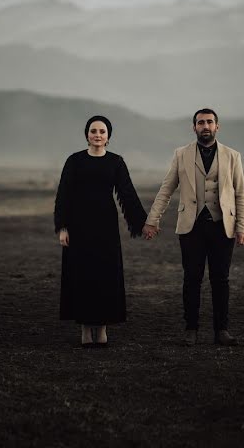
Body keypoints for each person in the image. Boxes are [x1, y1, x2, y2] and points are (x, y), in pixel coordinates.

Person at [142, 108, 244, 346]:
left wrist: (243, 226)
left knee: (221, 279)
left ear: (217, 126)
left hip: (223, 227)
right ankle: (191, 329)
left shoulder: (233, 156)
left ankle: (222, 330)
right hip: (192, 228)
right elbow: (166, 189)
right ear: (194, 127)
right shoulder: (181, 155)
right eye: (200, 122)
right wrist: (152, 219)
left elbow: (240, 193)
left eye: (210, 122)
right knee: (192, 278)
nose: (205, 126)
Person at [54, 115, 147, 347]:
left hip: (106, 226)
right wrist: (62, 227)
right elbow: (63, 195)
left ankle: (103, 329)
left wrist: (144, 223)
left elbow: (128, 194)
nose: (97, 135)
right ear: (87, 134)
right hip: (78, 226)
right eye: (93, 131)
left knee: (106, 275)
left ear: (108, 137)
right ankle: (85, 330)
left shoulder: (116, 162)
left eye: (102, 132)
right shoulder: (74, 161)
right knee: (82, 275)